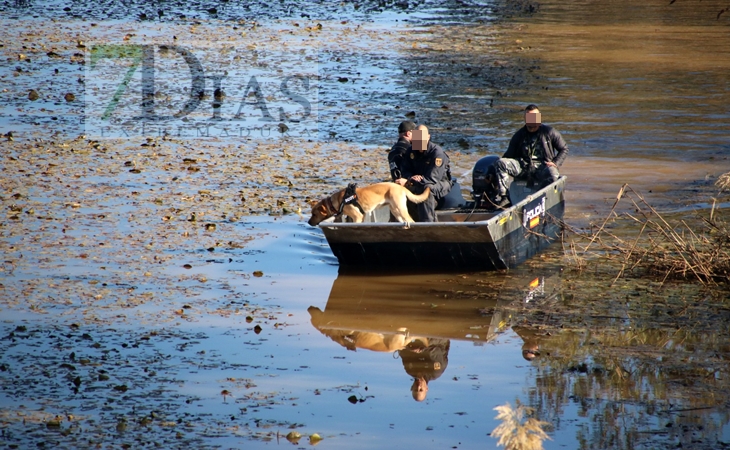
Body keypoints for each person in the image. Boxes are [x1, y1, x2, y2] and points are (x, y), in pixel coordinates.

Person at [490, 104, 569, 208]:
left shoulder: (549, 132)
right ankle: (505, 197)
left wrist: (555, 163)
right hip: (524, 167)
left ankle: (552, 204)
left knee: (553, 172)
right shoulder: (519, 135)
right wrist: (492, 175)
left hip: (542, 167)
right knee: (501, 163)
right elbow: (507, 156)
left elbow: (564, 148)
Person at [395, 125, 453, 222]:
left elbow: (432, 178)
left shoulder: (436, 153)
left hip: (439, 183)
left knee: (426, 189)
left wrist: (411, 181)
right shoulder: (410, 151)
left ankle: (428, 225)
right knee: (396, 188)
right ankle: (399, 224)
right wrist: (410, 178)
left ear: (428, 137)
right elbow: (405, 170)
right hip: (417, 182)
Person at [397, 338, 450, 402]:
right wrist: (420, 350)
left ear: (412, 387)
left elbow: (403, 352)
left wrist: (409, 348)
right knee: (424, 340)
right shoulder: (435, 372)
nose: (418, 386)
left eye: (416, 389)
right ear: (426, 388)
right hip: (438, 342)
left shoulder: (410, 370)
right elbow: (436, 350)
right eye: (421, 389)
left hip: (419, 343)